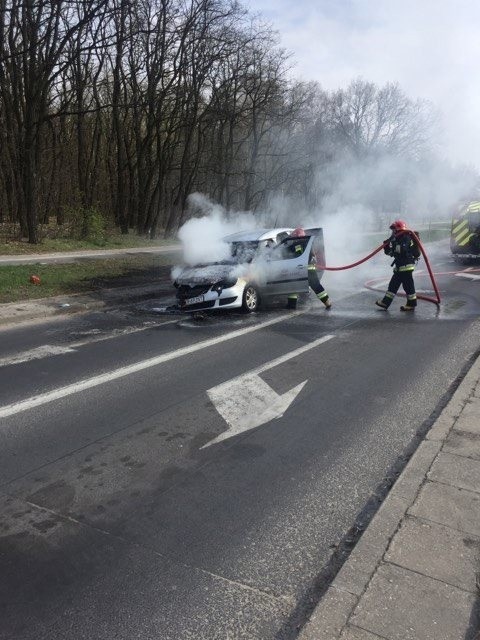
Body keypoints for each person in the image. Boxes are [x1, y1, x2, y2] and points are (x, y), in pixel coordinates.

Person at [375, 219, 418, 312]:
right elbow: (391, 253)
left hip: (406, 266)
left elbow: (401, 250)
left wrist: (393, 242)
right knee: (393, 285)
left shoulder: (406, 237)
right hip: (400, 267)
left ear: (398, 229)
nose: (392, 232)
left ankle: (411, 305)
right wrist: (386, 246)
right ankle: (385, 303)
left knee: (408, 286)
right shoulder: (397, 239)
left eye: (394, 229)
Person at [287, 227, 332, 310]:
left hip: (302, 269)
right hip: (310, 268)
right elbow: (312, 254)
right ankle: (327, 302)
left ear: (296, 236)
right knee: (316, 286)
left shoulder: (297, 244)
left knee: (293, 286)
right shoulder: (308, 243)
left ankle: (291, 305)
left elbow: (298, 254)